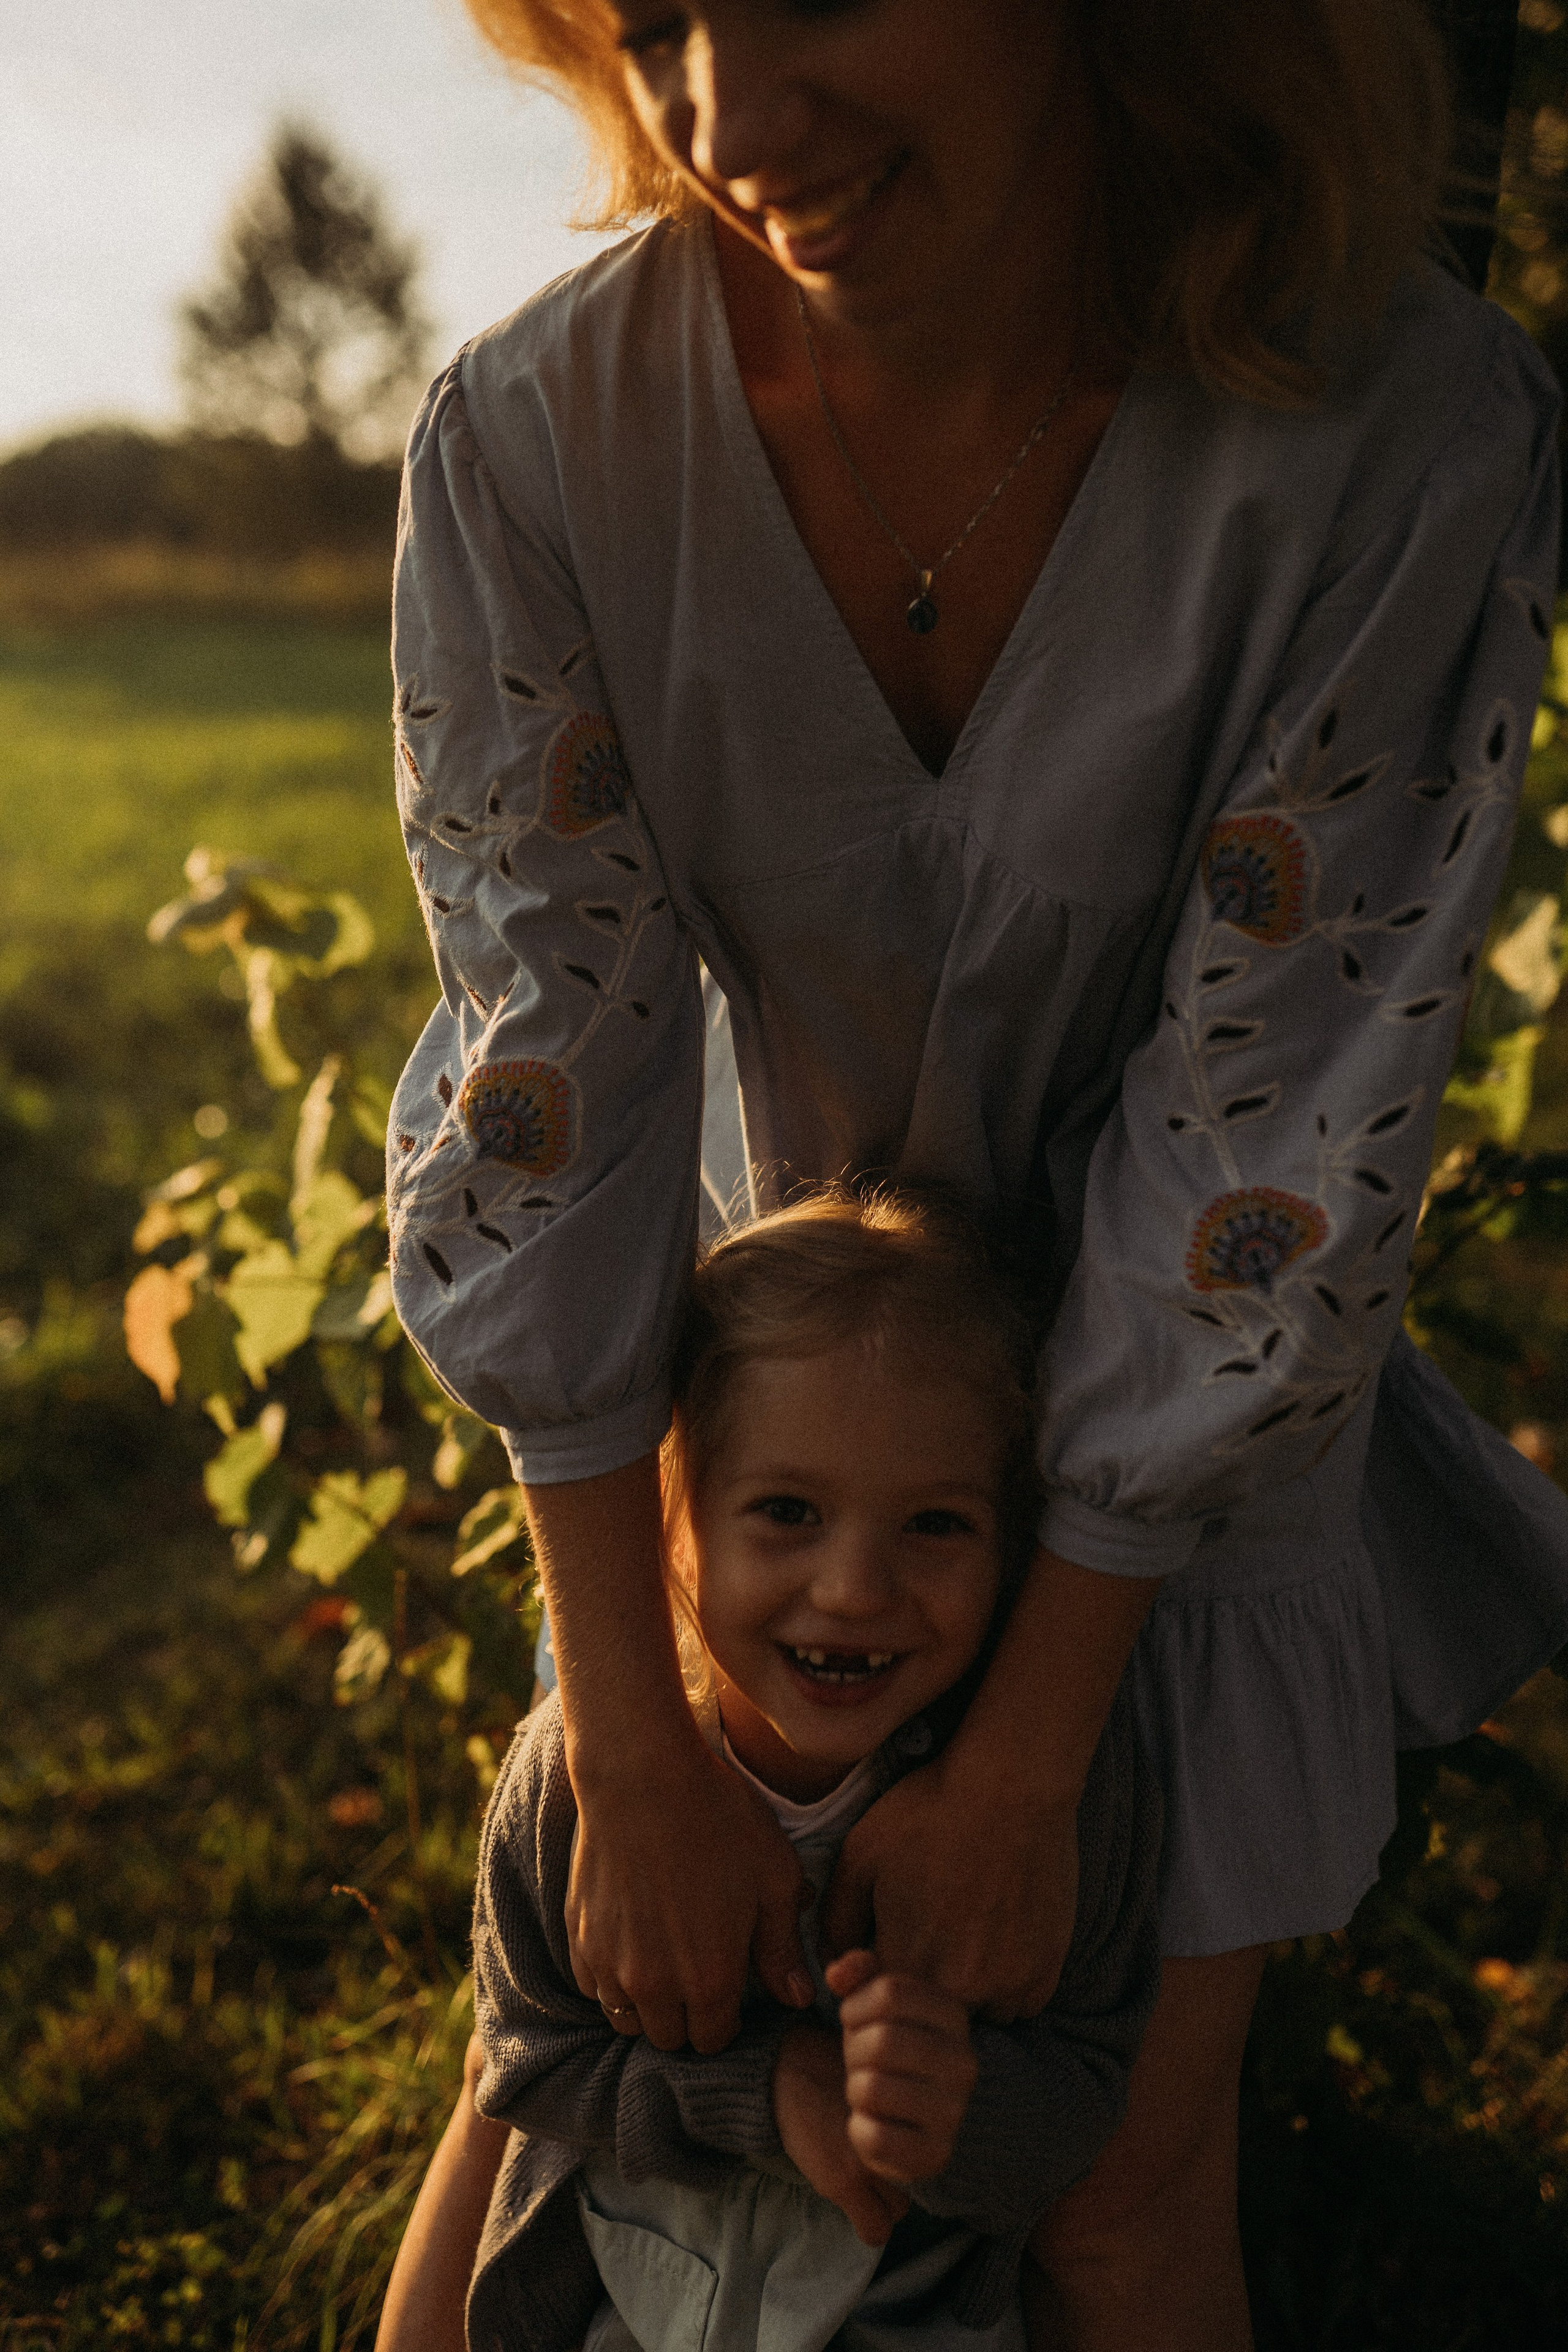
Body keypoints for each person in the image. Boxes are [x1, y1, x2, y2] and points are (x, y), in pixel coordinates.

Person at [381, 2, 1568, 2342]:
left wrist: (1033, 1757)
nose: (725, 118)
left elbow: (1281, 1121)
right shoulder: (542, 439)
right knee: (563, 2089)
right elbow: (555, 1084)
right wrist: (632, 1724)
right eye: (653, 20)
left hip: (1194, 1481)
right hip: (776, 1453)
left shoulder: (1397, 435)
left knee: (1119, 2190)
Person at [467, 1189, 1161, 2352]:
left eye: (935, 1525)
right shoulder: (590, 1778)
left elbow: (1089, 2088)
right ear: (677, 1531)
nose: (853, 1591)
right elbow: (530, 2058)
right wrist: (763, 2092)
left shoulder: (1058, 1797)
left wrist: (959, 2110)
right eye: (788, 1512)